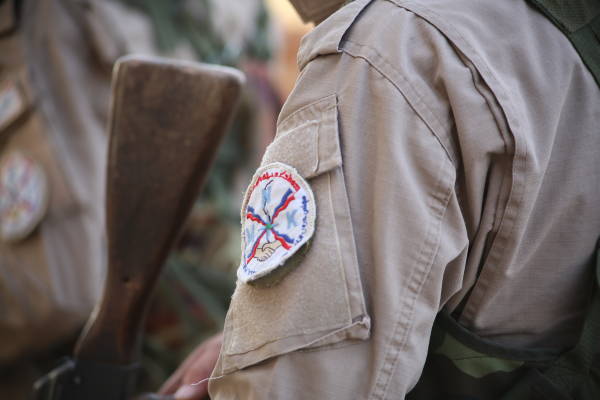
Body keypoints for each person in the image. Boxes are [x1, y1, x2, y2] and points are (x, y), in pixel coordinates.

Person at [161, 0, 600, 398]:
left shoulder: (395, 51)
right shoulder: (559, 32)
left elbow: (299, 388)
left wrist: (278, 356)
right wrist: (268, 336)